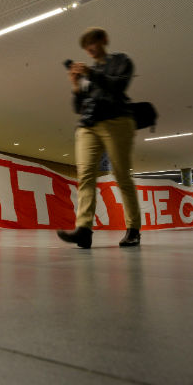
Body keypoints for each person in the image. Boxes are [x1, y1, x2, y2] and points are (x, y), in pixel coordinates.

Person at [57, 27, 141, 248]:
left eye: (92, 43)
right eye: (86, 47)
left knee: (122, 175)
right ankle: (84, 229)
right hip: (88, 126)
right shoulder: (88, 74)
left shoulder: (121, 61)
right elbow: (78, 107)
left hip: (117, 120)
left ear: (103, 40)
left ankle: (133, 229)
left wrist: (92, 74)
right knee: (85, 175)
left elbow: (117, 86)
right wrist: (76, 85)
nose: (90, 49)